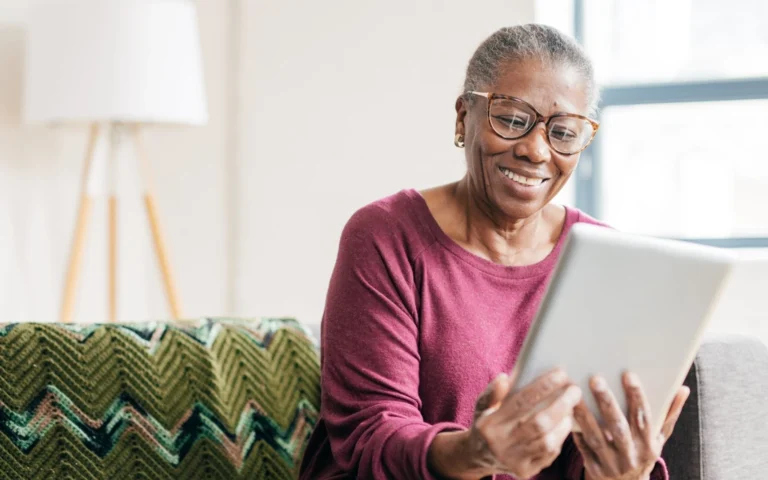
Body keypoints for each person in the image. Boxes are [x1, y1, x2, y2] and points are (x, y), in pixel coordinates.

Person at [299, 24, 689, 480]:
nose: (535, 150)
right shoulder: (386, 236)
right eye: (511, 118)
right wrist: (473, 453)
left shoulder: (603, 257)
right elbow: (370, 436)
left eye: (563, 132)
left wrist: (625, 471)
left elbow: (590, 444)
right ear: (465, 117)